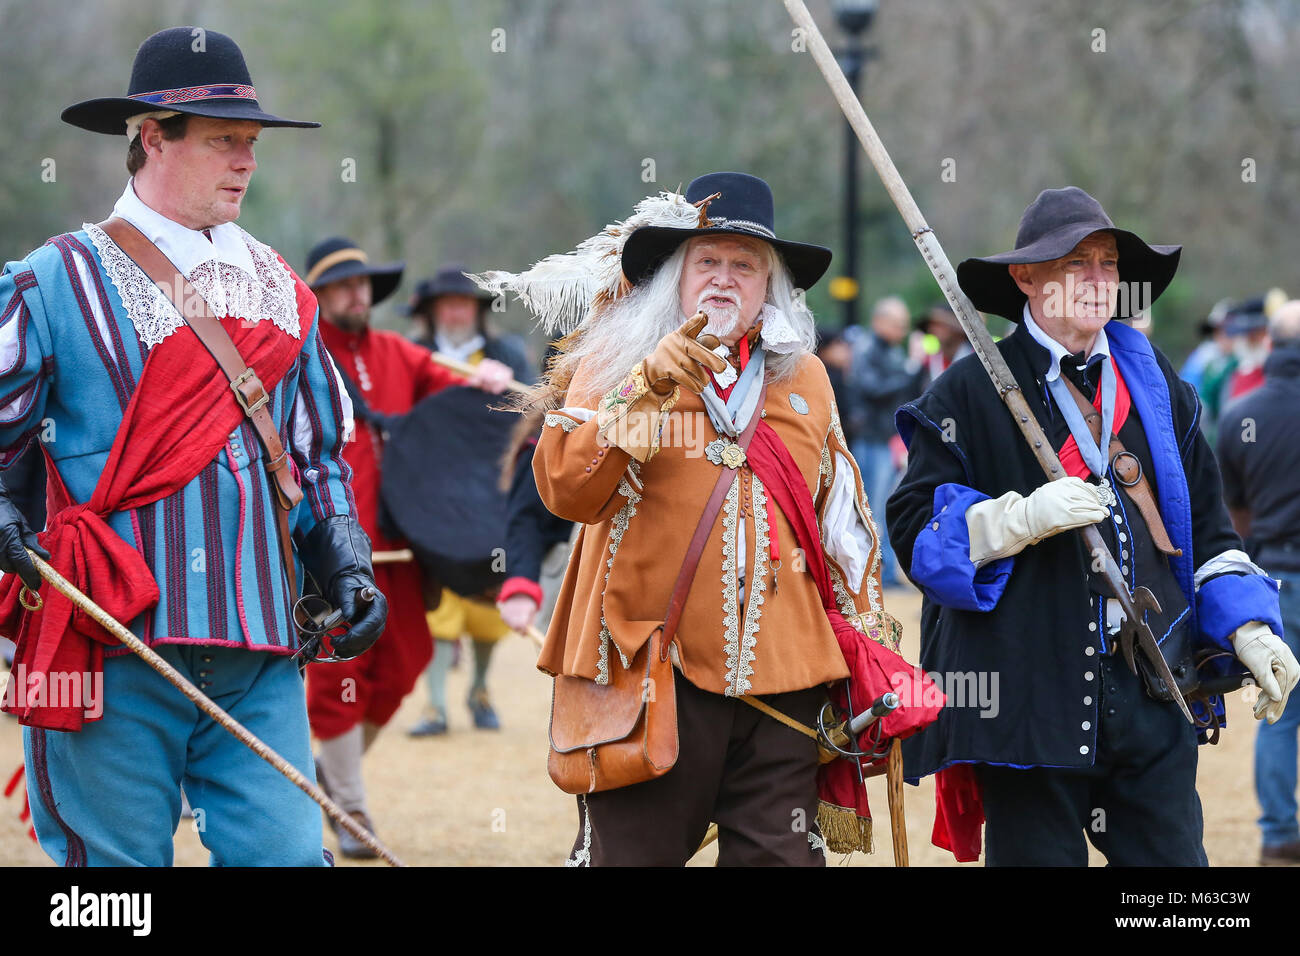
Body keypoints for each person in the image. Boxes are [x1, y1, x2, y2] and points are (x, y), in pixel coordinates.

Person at [0, 27, 386, 866]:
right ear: (151, 137)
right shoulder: (51, 279)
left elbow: (315, 457)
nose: (245, 161)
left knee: (288, 858)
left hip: (259, 647)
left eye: (250, 143)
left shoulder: (284, 290)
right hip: (110, 642)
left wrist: (347, 559)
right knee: (113, 889)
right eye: (222, 141)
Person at [483, 171, 938, 865]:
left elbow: (842, 521)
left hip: (785, 684)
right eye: (709, 262)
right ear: (678, 274)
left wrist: (867, 647)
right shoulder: (613, 357)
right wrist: (646, 389)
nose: (725, 279)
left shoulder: (807, 378)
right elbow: (567, 491)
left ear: (770, 284)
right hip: (650, 676)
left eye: (744, 265)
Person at [887, 186, 1298, 866]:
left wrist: (1248, 624)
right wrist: (1015, 519)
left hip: (1149, 685)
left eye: (1107, 262)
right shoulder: (969, 390)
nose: (1099, 278)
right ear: (1026, 277)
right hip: (1021, 700)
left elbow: (1208, 530)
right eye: (1076, 262)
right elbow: (914, 533)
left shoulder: (1159, 387)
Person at [302, 237, 512, 856]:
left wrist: (490, 378)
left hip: (400, 541)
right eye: (342, 287)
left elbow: (455, 391)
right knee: (340, 671)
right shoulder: (301, 356)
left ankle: (330, 781)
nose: (356, 295)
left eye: (362, 285)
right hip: (331, 544)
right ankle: (352, 808)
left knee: (407, 659)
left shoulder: (398, 352)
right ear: (319, 296)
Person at [406, 265, 534, 736]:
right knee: (438, 604)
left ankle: (479, 690)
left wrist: (504, 396)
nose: (457, 311)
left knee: (485, 601)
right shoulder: (414, 355)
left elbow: (530, 420)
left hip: (490, 496)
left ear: (478, 311)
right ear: (432, 311)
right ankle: (435, 706)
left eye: (465, 303)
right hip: (431, 497)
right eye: (448, 303)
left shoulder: (508, 355)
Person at [1217, 299, 1300, 864]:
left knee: (1280, 713)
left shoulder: (1241, 416)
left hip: (1276, 576)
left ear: (1270, 343)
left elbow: (1233, 514)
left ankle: (1278, 834)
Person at [844, 296, 923, 587]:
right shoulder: (866, 347)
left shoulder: (889, 350)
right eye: (897, 324)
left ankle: (884, 569)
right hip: (873, 439)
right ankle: (874, 572)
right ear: (880, 321)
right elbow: (871, 387)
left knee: (886, 503)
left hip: (888, 439)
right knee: (873, 506)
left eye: (904, 325)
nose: (902, 330)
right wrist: (909, 370)